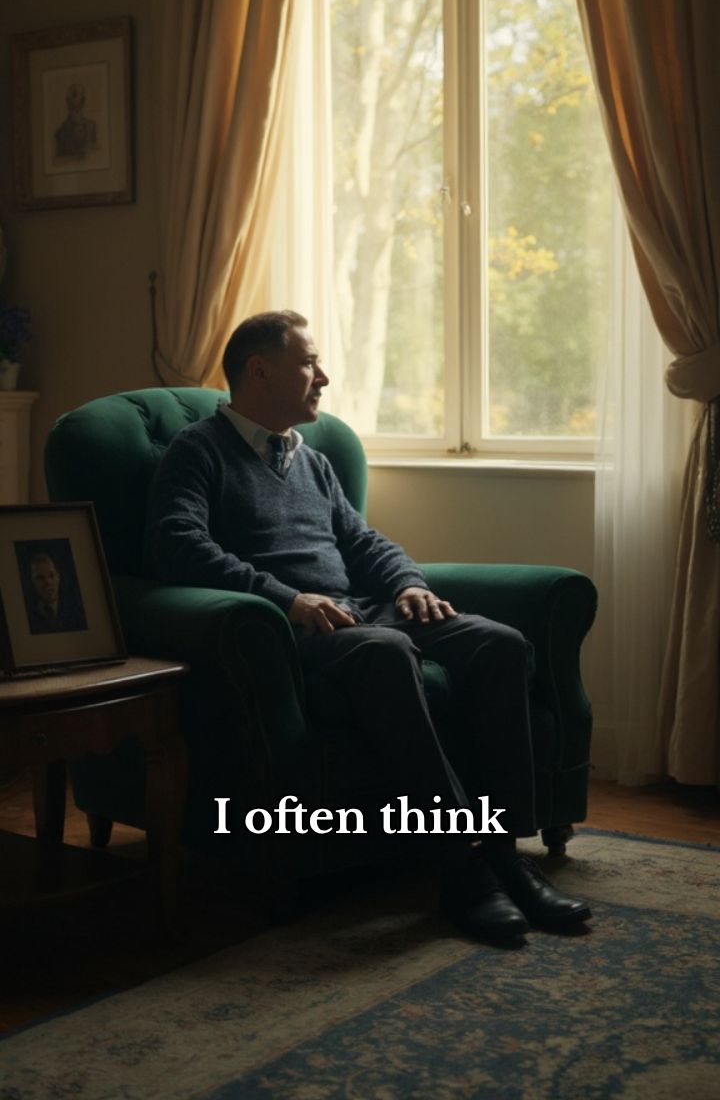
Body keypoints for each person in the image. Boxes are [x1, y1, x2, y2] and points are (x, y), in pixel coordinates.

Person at [145, 310, 591, 944]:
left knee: (500, 645)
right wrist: (286, 599)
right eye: (309, 363)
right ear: (260, 371)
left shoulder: (312, 460)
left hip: (358, 607)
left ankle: (504, 855)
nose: (323, 377)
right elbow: (179, 545)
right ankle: (463, 870)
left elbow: (362, 540)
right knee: (386, 651)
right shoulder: (198, 451)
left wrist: (409, 584)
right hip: (285, 629)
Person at [27, 551, 87, 634]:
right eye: (40, 578)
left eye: (51, 575)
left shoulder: (77, 610)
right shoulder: (27, 616)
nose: (48, 582)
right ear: (32, 581)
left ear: (58, 576)